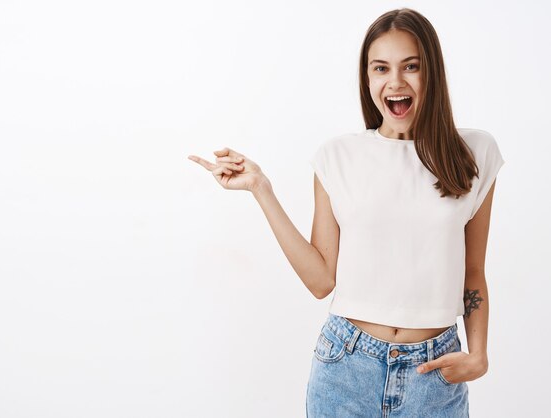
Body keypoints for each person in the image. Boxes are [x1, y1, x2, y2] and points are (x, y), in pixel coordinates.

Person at [188, 7, 504, 417]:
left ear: (433, 74)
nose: (395, 82)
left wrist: (479, 354)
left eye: (411, 66)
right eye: (380, 69)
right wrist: (261, 190)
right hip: (346, 367)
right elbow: (321, 281)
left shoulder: (474, 154)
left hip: (435, 372)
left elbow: (473, 271)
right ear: (367, 78)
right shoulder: (338, 157)